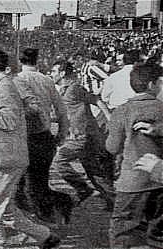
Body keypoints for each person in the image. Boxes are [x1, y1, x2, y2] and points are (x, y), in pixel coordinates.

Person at [0, 47, 60, 249]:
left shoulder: (4, 85)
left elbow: (9, 120)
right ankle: (45, 236)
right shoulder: (1, 84)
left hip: (4, 159)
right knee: (6, 211)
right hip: (3, 158)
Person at [106, 62, 163, 248]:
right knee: (158, 235)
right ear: (152, 85)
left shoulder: (122, 111)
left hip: (132, 182)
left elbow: (112, 148)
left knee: (122, 233)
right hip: (159, 182)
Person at [13, 48, 71, 223]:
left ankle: (50, 213)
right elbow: (62, 111)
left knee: (27, 186)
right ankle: (38, 214)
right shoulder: (47, 80)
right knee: (36, 182)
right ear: (37, 61)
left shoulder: (16, 80)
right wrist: (61, 134)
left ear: (20, 61)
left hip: (24, 137)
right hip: (43, 137)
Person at [51, 60, 115, 208]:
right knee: (94, 173)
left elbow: (96, 100)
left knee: (59, 161)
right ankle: (114, 202)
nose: (51, 74)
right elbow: (62, 113)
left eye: (54, 72)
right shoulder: (64, 90)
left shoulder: (74, 89)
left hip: (84, 136)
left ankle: (83, 190)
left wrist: (110, 118)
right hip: (84, 136)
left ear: (62, 73)